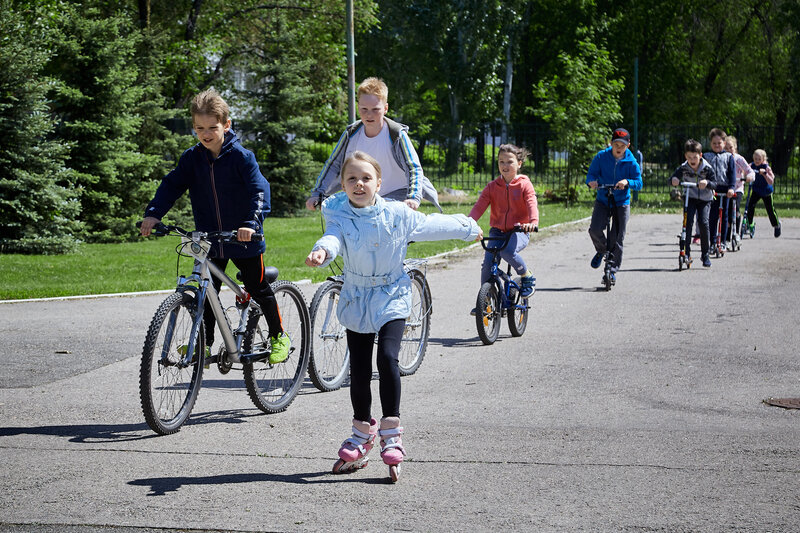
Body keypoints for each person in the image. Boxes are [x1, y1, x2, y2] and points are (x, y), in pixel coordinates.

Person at [305, 151, 481, 478]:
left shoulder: (397, 214)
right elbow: (334, 239)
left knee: (387, 358)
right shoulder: (340, 213)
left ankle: (391, 432)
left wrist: (467, 227)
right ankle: (362, 433)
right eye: (351, 179)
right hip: (357, 295)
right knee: (358, 369)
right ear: (342, 185)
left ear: (379, 183)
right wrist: (323, 251)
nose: (359, 184)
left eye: (366, 178)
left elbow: (431, 225)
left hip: (392, 294)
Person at [139, 89, 289, 364]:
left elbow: (259, 191)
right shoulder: (192, 158)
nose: (206, 134)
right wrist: (153, 214)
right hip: (210, 237)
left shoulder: (242, 158)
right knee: (209, 291)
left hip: (243, 237)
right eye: (199, 128)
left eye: (212, 128)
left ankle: (279, 335)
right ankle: (204, 344)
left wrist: (251, 224)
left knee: (257, 286)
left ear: (226, 125)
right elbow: (171, 186)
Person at [305, 77, 440, 212]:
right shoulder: (351, 133)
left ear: (385, 108)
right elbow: (334, 165)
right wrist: (317, 193)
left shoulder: (396, 135)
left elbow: (413, 168)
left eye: (375, 109)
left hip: (399, 193)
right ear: (358, 107)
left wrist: (413, 198)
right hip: (366, 195)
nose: (369, 115)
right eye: (364, 109)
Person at [468, 143, 539, 312]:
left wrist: (532, 222)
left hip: (519, 230)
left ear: (519, 164)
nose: (505, 166)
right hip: (497, 231)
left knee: (507, 251)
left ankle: (526, 275)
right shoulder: (492, 187)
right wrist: (468, 224)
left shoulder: (524, 185)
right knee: (487, 264)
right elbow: (479, 207)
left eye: (510, 162)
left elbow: (531, 202)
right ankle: (485, 301)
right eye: (501, 162)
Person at [586, 127, 643, 285]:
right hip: (604, 198)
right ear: (611, 143)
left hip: (621, 202)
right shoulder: (601, 157)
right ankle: (602, 250)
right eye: (616, 144)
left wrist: (627, 182)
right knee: (595, 229)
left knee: (617, 237)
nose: (619, 148)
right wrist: (591, 182)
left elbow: (639, 183)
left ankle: (612, 269)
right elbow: (591, 174)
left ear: (628, 145)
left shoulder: (631, 161)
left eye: (622, 145)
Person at [669, 139, 718, 267]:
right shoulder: (684, 167)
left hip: (705, 199)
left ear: (700, 155)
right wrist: (674, 180)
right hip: (689, 198)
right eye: (689, 157)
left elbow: (715, 183)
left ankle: (705, 254)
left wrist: (707, 183)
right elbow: (673, 178)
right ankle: (686, 252)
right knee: (687, 222)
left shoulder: (707, 168)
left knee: (703, 222)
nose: (692, 160)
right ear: (686, 156)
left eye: (695, 157)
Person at [704, 128, 736, 252]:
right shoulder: (707, 156)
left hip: (725, 189)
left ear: (724, 143)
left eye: (719, 143)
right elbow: (704, 173)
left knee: (724, 216)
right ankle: (712, 242)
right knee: (712, 216)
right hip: (712, 188)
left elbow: (732, 174)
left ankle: (723, 241)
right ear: (710, 144)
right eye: (714, 143)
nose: (717, 146)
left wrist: (731, 188)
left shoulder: (728, 157)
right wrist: (707, 186)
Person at [724, 136, 755, 246]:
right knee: (725, 213)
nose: (728, 150)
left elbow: (749, 171)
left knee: (735, 209)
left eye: (730, 147)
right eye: (726, 148)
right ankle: (726, 237)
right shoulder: (723, 159)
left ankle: (736, 233)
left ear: (735, 147)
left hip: (737, 188)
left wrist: (749, 177)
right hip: (726, 188)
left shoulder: (739, 159)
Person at [745, 149, 781, 238]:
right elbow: (745, 171)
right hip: (756, 190)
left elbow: (771, 181)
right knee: (750, 206)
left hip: (766, 192)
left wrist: (765, 174)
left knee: (770, 210)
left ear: (763, 159)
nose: (757, 161)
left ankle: (776, 224)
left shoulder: (766, 167)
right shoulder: (751, 166)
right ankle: (750, 224)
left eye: (759, 159)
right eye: (755, 158)